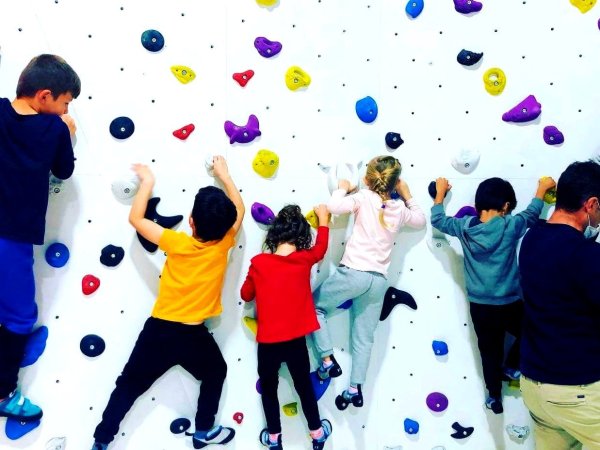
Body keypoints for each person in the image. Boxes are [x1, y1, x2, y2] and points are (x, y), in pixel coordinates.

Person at [91, 156, 244, 450]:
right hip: (193, 335)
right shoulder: (224, 242)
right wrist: (225, 175)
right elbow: (240, 210)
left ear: (190, 221)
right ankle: (203, 430)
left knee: (128, 386)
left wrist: (147, 183)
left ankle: (101, 441)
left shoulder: (177, 242)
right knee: (216, 372)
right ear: (225, 227)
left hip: (159, 332)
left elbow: (137, 220)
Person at [431, 175, 556, 414]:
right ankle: (511, 366)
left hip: (480, 306)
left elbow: (438, 219)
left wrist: (440, 193)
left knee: (489, 351)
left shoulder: (464, 227)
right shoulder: (510, 225)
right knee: (534, 331)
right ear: (506, 206)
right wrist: (541, 189)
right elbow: (531, 214)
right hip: (509, 303)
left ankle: (494, 397)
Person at [0, 54, 80, 422]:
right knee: (19, 317)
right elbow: (63, 170)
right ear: (45, 96)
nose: (65, 109)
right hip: (11, 237)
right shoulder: (54, 130)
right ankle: (3, 395)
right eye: (65, 102)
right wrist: (69, 132)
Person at [311, 155, 426, 410]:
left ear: (366, 179)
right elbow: (421, 220)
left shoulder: (363, 198)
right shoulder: (398, 209)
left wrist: (342, 186)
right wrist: (407, 195)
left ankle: (328, 360)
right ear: (395, 183)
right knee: (363, 337)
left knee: (311, 307)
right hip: (378, 282)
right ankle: (355, 388)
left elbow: (333, 206)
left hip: (353, 273)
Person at [518, 159, 600, 449]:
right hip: (574, 390)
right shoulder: (586, 255)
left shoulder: (531, 239)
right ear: (591, 204)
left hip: (535, 386)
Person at [241, 204, 333, 450]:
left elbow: (245, 294)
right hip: (295, 342)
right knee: (303, 387)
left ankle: (274, 439)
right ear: (302, 235)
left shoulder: (259, 262)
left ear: (274, 235)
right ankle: (316, 434)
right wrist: (323, 221)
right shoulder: (304, 260)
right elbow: (321, 249)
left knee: (269, 390)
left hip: (268, 344)